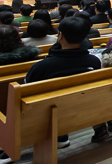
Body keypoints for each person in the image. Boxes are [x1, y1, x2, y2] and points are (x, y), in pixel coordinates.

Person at [25, 17, 99, 149]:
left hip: (48, 115)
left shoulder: (41, 67)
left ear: (61, 35)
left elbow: (27, 93)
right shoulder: (94, 62)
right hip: (83, 108)